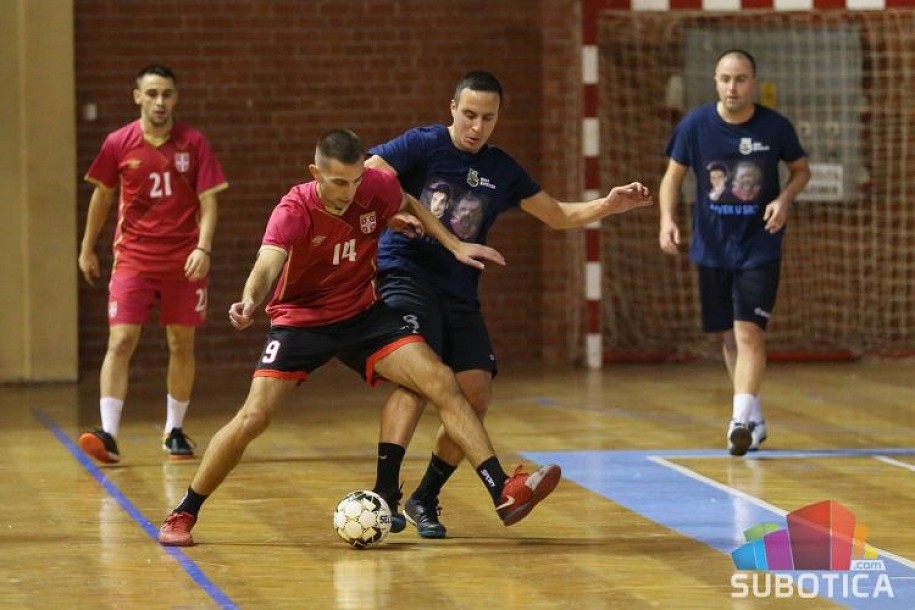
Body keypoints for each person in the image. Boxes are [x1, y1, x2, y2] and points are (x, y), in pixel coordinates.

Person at [156, 129, 562, 547]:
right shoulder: (294, 209)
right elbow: (267, 265)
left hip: (362, 315)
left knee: (440, 379)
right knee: (253, 418)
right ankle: (185, 509)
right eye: (337, 183)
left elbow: (408, 201)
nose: (349, 192)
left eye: (354, 181)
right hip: (302, 322)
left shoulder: (375, 185)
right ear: (315, 172)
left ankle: (501, 491)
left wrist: (454, 244)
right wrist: (248, 301)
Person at [364, 70, 654, 539]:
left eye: (488, 117)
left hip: (459, 290)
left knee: (475, 392)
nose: (477, 126)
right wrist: (391, 212)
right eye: (470, 114)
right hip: (406, 276)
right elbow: (367, 175)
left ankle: (425, 497)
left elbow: (558, 215)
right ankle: (383, 497)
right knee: (421, 381)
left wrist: (607, 205)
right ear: (452, 108)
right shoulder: (423, 144)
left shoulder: (502, 169)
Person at [658, 49, 811, 457]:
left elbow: (801, 170)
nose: (732, 87)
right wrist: (667, 220)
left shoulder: (774, 127)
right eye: (725, 78)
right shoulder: (695, 125)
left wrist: (783, 200)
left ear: (753, 82)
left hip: (759, 244)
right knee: (728, 337)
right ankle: (754, 418)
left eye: (740, 79)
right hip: (711, 249)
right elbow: (671, 178)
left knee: (749, 332)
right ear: (715, 80)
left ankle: (738, 421)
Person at [78, 64, 228, 464]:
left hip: (184, 260)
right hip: (134, 258)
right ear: (138, 97)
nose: (160, 101)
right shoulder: (118, 143)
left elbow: (209, 203)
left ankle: (174, 429)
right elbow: (103, 197)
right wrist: (87, 247)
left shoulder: (193, 143)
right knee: (121, 340)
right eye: (153, 93)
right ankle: (108, 433)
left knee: (181, 343)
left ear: (175, 98)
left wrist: (203, 247)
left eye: (167, 94)